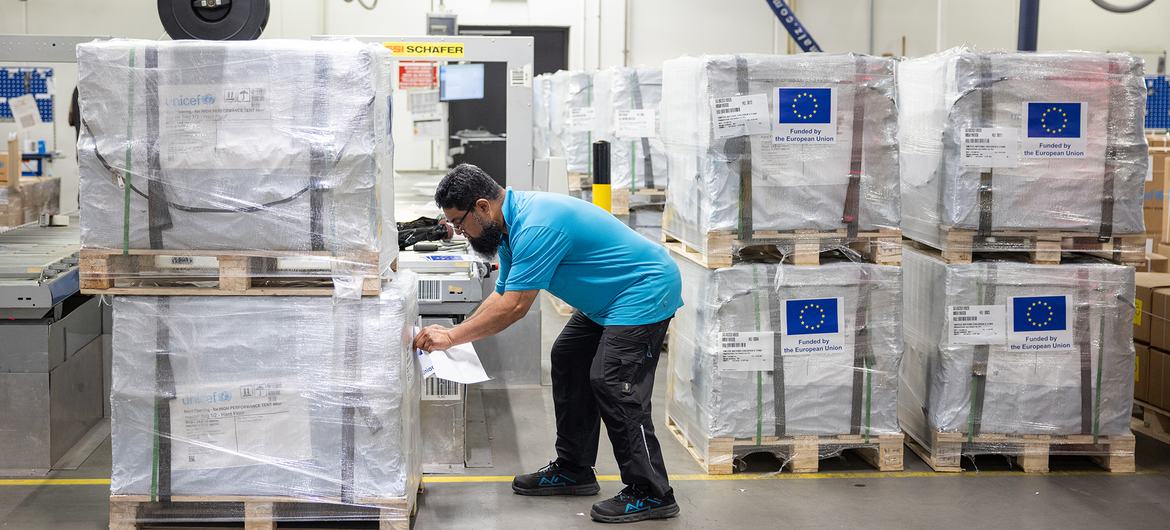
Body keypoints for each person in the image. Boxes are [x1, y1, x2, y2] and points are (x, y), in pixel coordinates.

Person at [414, 164, 683, 523]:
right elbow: (502, 293)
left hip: (643, 289)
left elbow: (514, 308)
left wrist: (451, 336)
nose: (460, 232)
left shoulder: (536, 226)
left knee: (614, 379)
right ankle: (574, 468)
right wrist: (454, 335)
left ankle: (652, 492)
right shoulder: (508, 228)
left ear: (482, 206)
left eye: (460, 223)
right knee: (568, 356)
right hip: (606, 300)